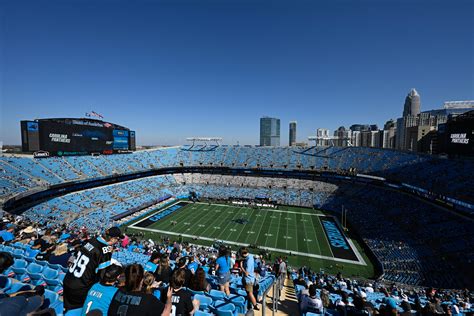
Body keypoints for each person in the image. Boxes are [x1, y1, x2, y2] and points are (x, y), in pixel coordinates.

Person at [63, 227, 123, 312]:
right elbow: (103, 275)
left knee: (68, 311)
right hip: (80, 287)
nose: (117, 241)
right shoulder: (105, 250)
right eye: (117, 239)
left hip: (68, 279)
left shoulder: (92, 241)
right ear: (113, 239)